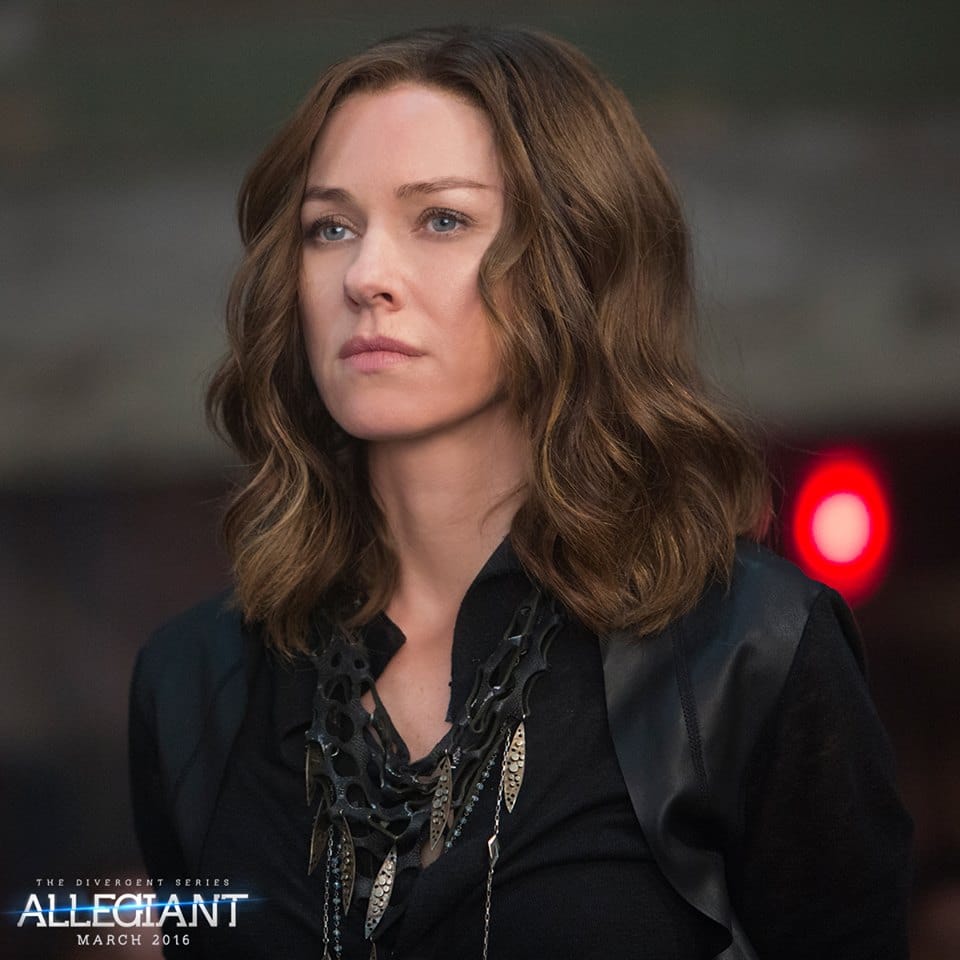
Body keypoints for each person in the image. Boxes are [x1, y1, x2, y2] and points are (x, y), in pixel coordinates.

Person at [128, 25, 912, 960]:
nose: (366, 277)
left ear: (576, 256)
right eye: (330, 228)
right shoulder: (194, 685)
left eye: (441, 220)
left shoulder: (748, 651)